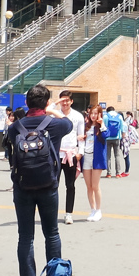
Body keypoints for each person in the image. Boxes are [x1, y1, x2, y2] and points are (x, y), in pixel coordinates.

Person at [7, 84, 72, 276]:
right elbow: (68, 123)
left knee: (25, 237)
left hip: (22, 186)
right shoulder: (55, 125)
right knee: (51, 233)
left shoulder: (14, 128)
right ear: (46, 103)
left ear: (26, 103)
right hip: (48, 186)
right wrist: (52, 111)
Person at [57, 90, 85, 225]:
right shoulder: (55, 115)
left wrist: (80, 153)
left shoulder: (78, 116)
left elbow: (82, 136)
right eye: (62, 100)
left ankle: (69, 213)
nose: (65, 103)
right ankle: (51, 212)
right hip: (56, 154)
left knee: (70, 185)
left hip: (71, 154)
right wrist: (55, 104)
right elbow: (46, 111)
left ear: (71, 101)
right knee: (53, 185)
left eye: (67, 100)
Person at [82, 105, 106, 222]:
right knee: (89, 186)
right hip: (86, 157)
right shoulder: (86, 126)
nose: (93, 115)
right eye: (92, 113)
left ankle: (98, 210)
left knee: (95, 186)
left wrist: (102, 124)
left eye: (96, 113)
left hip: (96, 158)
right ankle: (92, 209)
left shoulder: (99, 127)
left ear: (100, 114)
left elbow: (106, 136)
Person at [103, 106, 125, 177]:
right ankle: (118, 173)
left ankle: (109, 173)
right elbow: (122, 127)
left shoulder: (106, 116)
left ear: (107, 111)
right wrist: (122, 136)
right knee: (117, 156)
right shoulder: (119, 116)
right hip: (117, 138)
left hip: (107, 138)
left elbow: (103, 127)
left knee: (108, 156)